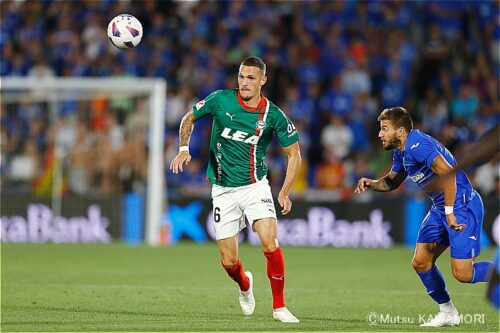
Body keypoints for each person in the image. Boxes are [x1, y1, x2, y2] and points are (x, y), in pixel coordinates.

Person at [170, 56, 301, 323]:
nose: (244, 82)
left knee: (269, 241)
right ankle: (244, 285)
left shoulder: (272, 115)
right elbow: (188, 118)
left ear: (263, 80)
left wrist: (284, 191)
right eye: (241, 76)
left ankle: (279, 307)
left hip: (255, 186)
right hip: (222, 190)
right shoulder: (221, 100)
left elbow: (294, 154)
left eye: (251, 78)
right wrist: (184, 149)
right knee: (229, 263)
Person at [354, 107, 495, 327]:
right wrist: (372, 183)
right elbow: (393, 181)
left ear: (400, 131)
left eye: (384, 129)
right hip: (441, 208)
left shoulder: (418, 145)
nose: (379, 134)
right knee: (421, 262)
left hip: (461, 206)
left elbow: (448, 175)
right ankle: (448, 312)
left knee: (463, 273)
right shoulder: (401, 151)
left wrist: (449, 213)